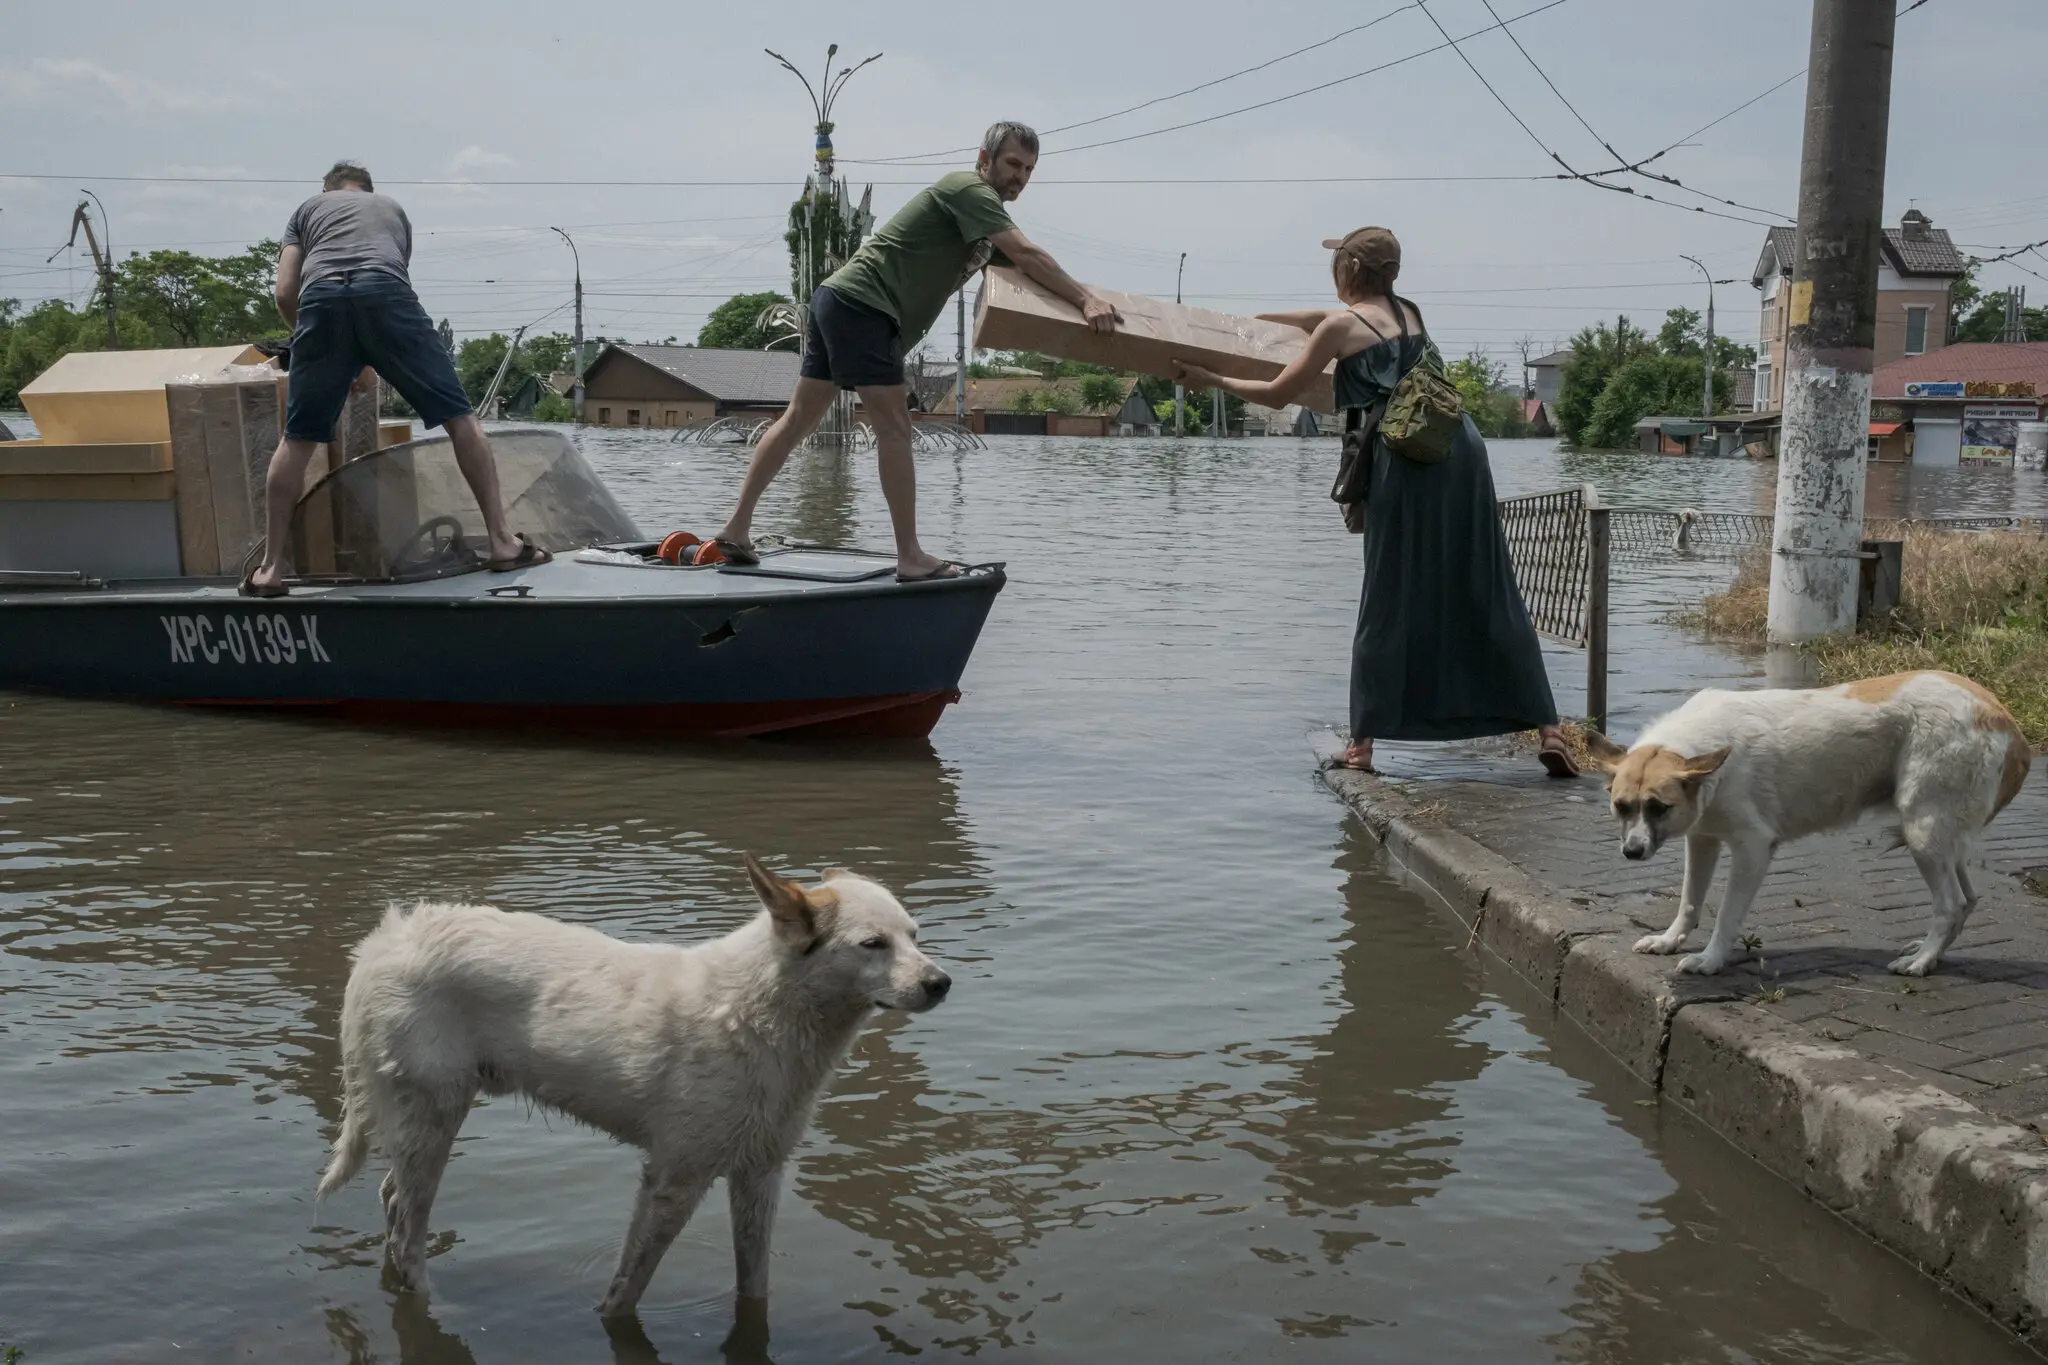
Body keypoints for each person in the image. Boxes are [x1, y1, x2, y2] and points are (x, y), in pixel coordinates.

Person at [1174, 226, 1577, 777]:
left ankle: (1362, 747)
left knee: (1387, 593)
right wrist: (1262, 320)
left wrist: (1209, 375)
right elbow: (1323, 321)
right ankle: (1549, 728)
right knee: (1489, 586)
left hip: (1405, 458)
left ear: (1348, 269)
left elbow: (1278, 393)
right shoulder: (1409, 312)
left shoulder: (1344, 325)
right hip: (1462, 449)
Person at [712, 121, 1118, 582]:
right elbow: (1028, 254)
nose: (1020, 176)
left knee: (798, 420)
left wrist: (1089, 303)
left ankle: (736, 527)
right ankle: (910, 556)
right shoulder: (970, 190)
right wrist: (1087, 300)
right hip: (865, 304)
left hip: (838, 298)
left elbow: (1028, 272)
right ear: (984, 160)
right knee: (895, 428)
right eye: (1012, 164)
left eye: (1028, 169)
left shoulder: (981, 225)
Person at [243, 161, 548, 597]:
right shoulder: (391, 209)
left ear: (327, 189)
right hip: (383, 291)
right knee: (462, 419)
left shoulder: (306, 211)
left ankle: (270, 571)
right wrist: (367, 358)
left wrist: (319, 347)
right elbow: (384, 284)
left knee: (297, 438)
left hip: (322, 297)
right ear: (367, 190)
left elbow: (285, 293)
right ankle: (502, 541)